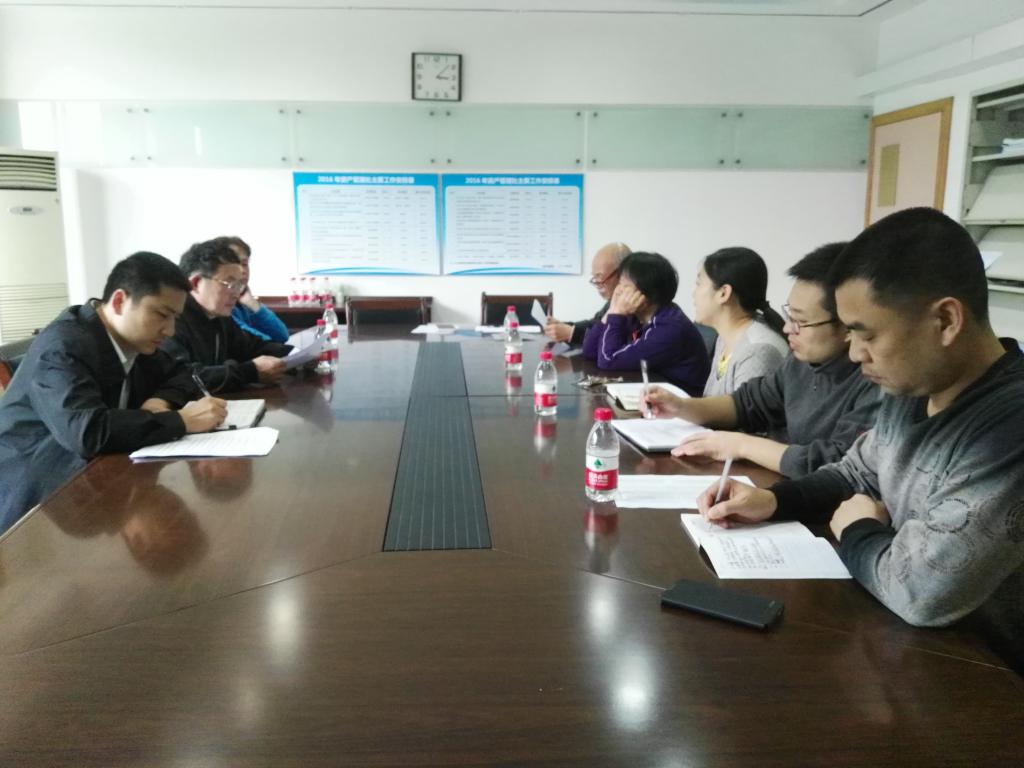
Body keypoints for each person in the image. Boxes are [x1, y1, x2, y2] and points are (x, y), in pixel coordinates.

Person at [696, 208, 1024, 673]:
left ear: (946, 320)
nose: (853, 353)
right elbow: (855, 472)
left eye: (866, 334)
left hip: (986, 679)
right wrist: (773, 502)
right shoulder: (913, 390)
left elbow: (920, 590)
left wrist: (856, 529)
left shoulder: (1007, 429)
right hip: (900, 646)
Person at [0, 252, 227, 534]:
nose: (169, 330)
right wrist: (181, 421)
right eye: (161, 315)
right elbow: (87, 432)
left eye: (175, 319)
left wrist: (160, 400)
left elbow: (183, 374)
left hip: (86, 476)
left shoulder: (133, 340)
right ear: (120, 301)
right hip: (32, 502)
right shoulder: (64, 345)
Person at [643, 243, 881, 477]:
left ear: (848, 326)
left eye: (801, 321)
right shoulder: (802, 362)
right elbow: (747, 404)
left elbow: (839, 463)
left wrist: (741, 445)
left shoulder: (874, 381)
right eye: (790, 315)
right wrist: (681, 407)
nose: (787, 328)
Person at [162, 238, 292, 393]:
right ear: (195, 283)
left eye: (239, 285)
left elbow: (253, 347)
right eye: (229, 284)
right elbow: (183, 376)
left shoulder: (220, 317)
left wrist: (298, 355)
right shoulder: (172, 319)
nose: (236, 294)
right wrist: (249, 372)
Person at [581, 251, 710, 395]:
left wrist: (616, 314)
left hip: (681, 403)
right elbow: (589, 351)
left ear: (647, 294)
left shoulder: (670, 328)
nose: (618, 291)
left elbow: (608, 360)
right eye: (619, 284)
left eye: (624, 286)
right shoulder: (637, 316)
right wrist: (611, 310)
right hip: (654, 393)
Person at [692, 247, 789, 395]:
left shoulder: (757, 352)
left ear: (723, 293)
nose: (694, 293)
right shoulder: (726, 336)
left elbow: (743, 410)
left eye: (699, 284)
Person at [544, 242, 631, 346]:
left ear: (622, 273)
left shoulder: (631, 303)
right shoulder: (614, 299)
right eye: (594, 276)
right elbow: (595, 323)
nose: (596, 282)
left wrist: (571, 333)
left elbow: (610, 340)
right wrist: (565, 326)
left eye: (599, 276)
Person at [222, 235, 290, 343]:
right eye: (235, 264)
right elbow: (258, 342)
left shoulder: (243, 302)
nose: (242, 270)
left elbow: (282, 335)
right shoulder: (220, 305)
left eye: (244, 264)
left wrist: (252, 303)